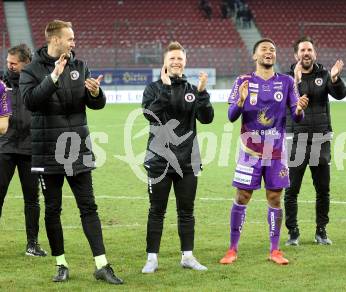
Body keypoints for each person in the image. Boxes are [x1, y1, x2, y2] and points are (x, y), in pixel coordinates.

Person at [19, 20, 123, 284]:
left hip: (78, 147)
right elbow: (31, 102)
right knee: (53, 209)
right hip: (47, 150)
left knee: (88, 206)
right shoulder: (31, 70)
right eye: (70, 38)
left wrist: (97, 94)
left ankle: (102, 265)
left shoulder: (80, 66)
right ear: (55, 40)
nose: (74, 42)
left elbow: (93, 104)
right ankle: (61, 264)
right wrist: (53, 77)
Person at [219, 39, 308, 265]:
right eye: (264, 49)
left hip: (276, 151)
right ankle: (232, 249)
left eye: (273, 50)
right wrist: (239, 101)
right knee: (242, 196)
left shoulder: (287, 82)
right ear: (254, 56)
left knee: (275, 198)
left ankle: (275, 250)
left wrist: (298, 110)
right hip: (250, 150)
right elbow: (230, 116)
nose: (269, 52)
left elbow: (298, 116)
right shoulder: (243, 80)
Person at [141, 41, 214, 273]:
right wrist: (164, 88)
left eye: (179, 58)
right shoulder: (153, 88)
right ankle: (152, 258)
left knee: (186, 211)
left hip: (188, 161)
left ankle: (188, 257)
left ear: (185, 62)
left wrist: (202, 93)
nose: (176, 62)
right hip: (159, 161)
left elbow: (207, 118)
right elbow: (151, 115)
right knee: (156, 211)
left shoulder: (192, 89)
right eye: (172, 58)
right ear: (165, 61)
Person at [284, 36, 346, 246]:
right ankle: (293, 232)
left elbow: (340, 94)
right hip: (295, 140)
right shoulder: (286, 77)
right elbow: (284, 101)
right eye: (302, 50)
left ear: (315, 53)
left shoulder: (324, 74)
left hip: (320, 139)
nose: (306, 53)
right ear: (296, 55)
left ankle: (321, 230)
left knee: (322, 189)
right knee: (291, 190)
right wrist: (295, 81)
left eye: (309, 50)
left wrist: (335, 79)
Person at [0, 44, 48, 257]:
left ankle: (32, 244)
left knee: (32, 198)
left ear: (26, 63)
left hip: (31, 148)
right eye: (7, 62)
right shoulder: (1, 83)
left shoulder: (38, 83)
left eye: (14, 63)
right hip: (5, 147)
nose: (9, 67)